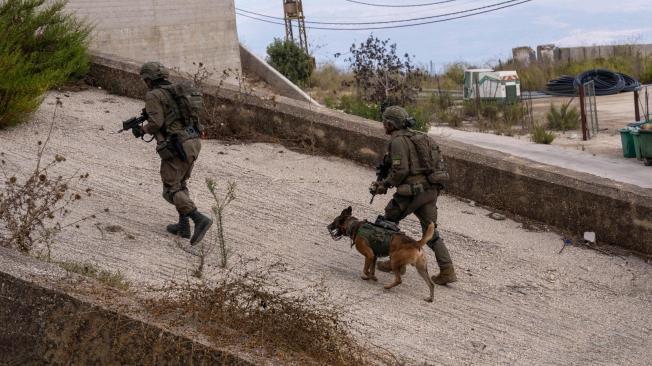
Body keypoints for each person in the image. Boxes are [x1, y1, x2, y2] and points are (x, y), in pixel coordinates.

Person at [369, 106, 457, 285]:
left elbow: (400, 171)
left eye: (385, 121)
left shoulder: (398, 141)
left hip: (412, 192)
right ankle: (447, 270)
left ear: (390, 124)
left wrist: (383, 185)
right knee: (430, 231)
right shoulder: (419, 136)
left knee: (388, 221)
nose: (383, 124)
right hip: (430, 190)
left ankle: (396, 263)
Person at [132, 61, 212, 245]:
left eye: (145, 79)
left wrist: (141, 130)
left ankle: (199, 218)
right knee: (180, 183)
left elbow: (156, 124)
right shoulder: (176, 90)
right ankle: (183, 226)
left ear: (149, 79)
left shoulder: (153, 95)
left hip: (177, 146)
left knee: (171, 188)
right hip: (192, 142)